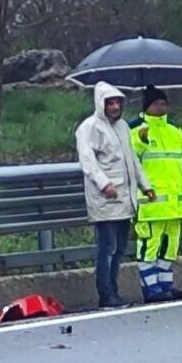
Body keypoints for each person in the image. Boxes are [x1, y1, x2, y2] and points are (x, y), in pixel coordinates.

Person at [75, 81, 146, 309]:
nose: (115, 107)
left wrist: (145, 184)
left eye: (118, 102)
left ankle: (114, 292)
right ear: (101, 104)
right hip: (105, 199)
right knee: (108, 248)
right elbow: (88, 161)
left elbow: (131, 159)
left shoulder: (123, 127)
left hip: (125, 198)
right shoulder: (90, 128)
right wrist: (104, 184)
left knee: (120, 249)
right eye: (110, 103)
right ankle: (106, 295)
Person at [129, 85, 182, 303]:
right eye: (156, 103)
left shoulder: (175, 131)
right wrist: (141, 142)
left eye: (163, 103)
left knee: (170, 247)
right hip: (150, 203)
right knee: (149, 245)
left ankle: (165, 286)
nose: (161, 107)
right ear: (147, 106)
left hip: (176, 203)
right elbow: (130, 162)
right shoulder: (135, 130)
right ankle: (151, 289)